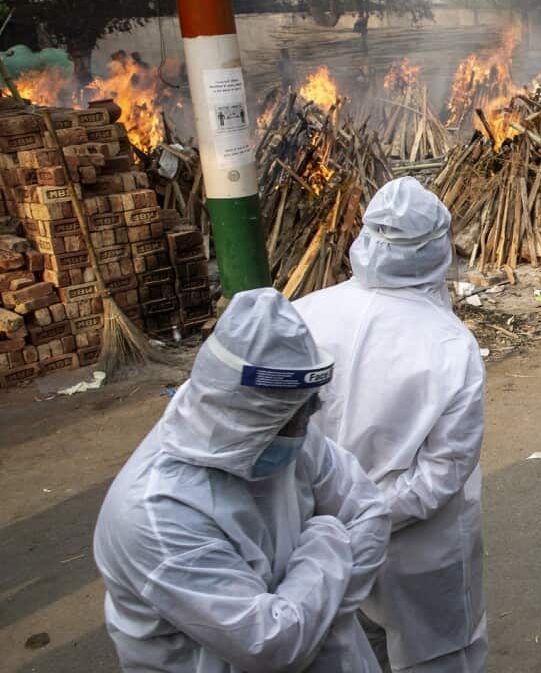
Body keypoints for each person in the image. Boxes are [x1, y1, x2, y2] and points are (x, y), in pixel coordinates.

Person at [93, 288, 390, 672]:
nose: (307, 423)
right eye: (297, 415)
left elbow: (369, 512)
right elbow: (268, 644)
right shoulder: (156, 512)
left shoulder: (281, 430)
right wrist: (328, 538)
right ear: (248, 415)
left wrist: (313, 622)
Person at [295, 177, 487, 673]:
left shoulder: (302, 317)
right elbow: (444, 472)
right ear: (434, 252)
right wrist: (373, 515)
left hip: (314, 543)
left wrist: (338, 524)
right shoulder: (449, 344)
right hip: (419, 552)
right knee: (437, 656)